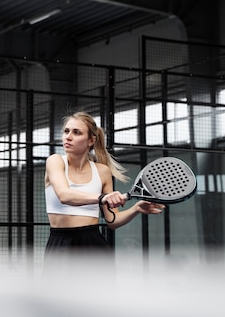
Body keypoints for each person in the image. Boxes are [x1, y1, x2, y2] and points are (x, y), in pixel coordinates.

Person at [43, 111, 165, 275]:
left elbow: (112, 221)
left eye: (76, 132)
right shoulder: (55, 161)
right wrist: (102, 198)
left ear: (91, 141)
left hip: (94, 243)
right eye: (66, 131)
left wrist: (135, 209)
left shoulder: (102, 171)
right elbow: (64, 195)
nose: (68, 137)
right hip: (60, 242)